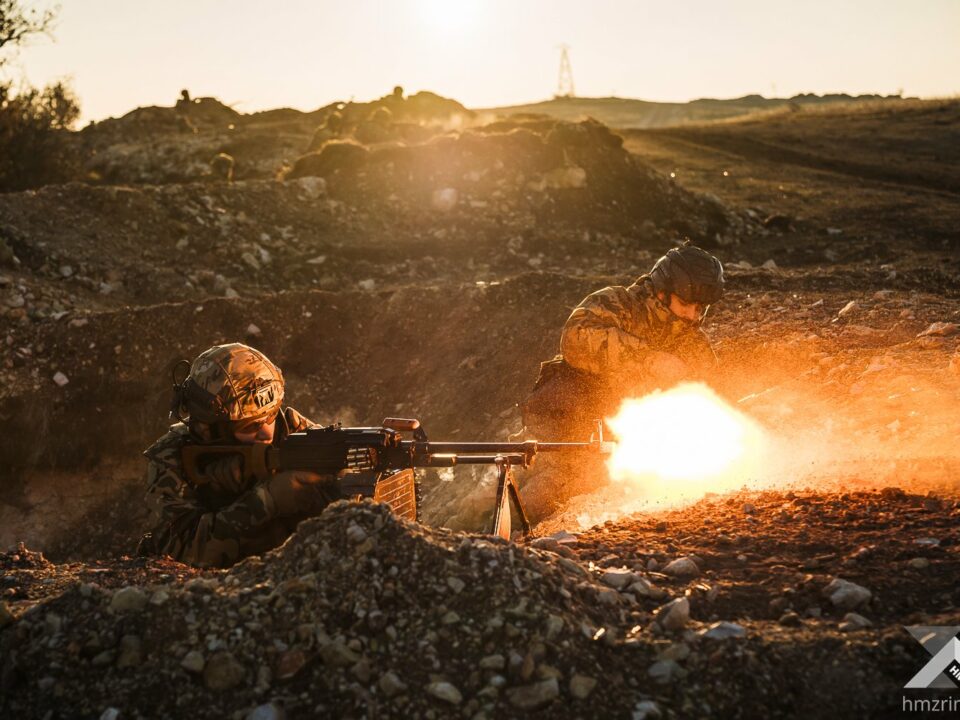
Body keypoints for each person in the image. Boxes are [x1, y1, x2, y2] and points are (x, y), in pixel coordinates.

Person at [519, 243, 725, 514]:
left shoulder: (693, 345)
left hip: (626, 445)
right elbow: (576, 338)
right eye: (685, 304)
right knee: (540, 491)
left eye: (700, 308)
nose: (692, 315)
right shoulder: (617, 304)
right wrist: (649, 360)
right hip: (564, 427)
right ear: (662, 293)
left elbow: (714, 401)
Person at [139, 343, 337, 567]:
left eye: (271, 416)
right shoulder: (172, 457)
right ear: (212, 429)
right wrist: (266, 500)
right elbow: (180, 551)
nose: (266, 432)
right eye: (250, 426)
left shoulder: (300, 435)